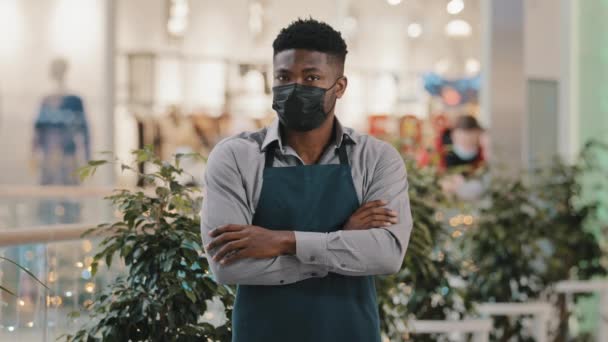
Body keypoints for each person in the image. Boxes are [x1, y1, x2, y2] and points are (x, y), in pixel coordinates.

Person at [201, 18, 412, 342]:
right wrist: (340, 239)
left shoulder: (375, 158)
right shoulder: (235, 157)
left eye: (311, 77)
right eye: (284, 77)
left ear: (339, 86)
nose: (295, 87)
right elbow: (228, 266)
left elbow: (386, 255)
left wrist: (285, 242)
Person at [438, 115, 488, 200]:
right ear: (453, 136)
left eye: (471, 140)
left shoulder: (483, 152)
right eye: (463, 139)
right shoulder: (441, 152)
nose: (467, 143)